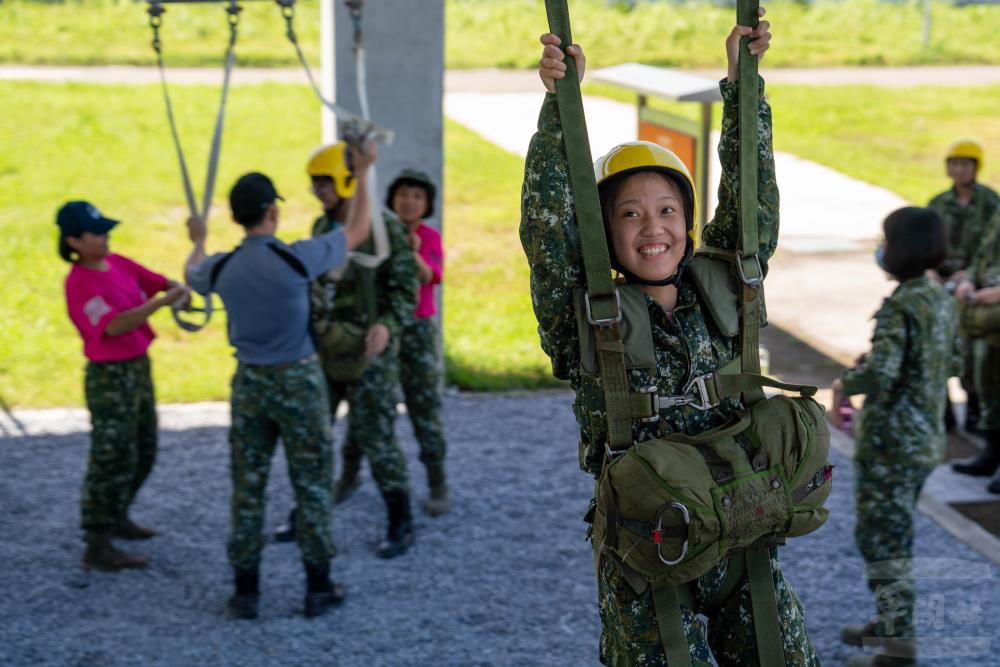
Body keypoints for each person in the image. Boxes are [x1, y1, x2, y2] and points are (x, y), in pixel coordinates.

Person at [521, 14, 822, 666]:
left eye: (667, 211)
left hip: (742, 535)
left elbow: (752, 202)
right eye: (628, 213)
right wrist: (557, 108)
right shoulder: (586, 319)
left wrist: (744, 86)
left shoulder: (725, 292)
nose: (652, 228)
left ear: (688, 222)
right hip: (649, 552)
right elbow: (550, 235)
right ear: (603, 232)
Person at [184, 156, 374, 619]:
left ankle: (245, 591)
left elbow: (193, 272)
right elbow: (357, 231)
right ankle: (318, 587)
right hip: (299, 380)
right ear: (273, 212)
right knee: (310, 484)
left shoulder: (221, 267)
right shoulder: (296, 258)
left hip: (249, 382)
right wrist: (364, 173)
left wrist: (198, 240)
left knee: (248, 487)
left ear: (236, 216)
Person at [275, 143, 419, 559]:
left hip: (371, 352)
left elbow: (405, 290)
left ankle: (400, 519)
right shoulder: (323, 229)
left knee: (378, 439)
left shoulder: (384, 228)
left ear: (346, 180)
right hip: (326, 350)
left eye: (325, 183)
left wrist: (385, 326)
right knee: (313, 432)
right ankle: (308, 512)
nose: (319, 191)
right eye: (315, 184)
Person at [831, 207, 959, 667]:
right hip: (925, 440)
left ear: (902, 247)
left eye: (885, 239)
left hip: (891, 445)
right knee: (896, 535)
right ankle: (888, 625)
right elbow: (954, 361)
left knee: (884, 542)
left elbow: (881, 373)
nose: (880, 248)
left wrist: (848, 382)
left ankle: (899, 647)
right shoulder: (940, 298)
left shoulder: (902, 303)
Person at [58, 200, 189, 571]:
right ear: (74, 241)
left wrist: (175, 288)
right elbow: (113, 326)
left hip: (137, 368)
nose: (105, 236)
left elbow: (155, 281)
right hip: (109, 378)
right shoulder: (79, 283)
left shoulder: (117, 263)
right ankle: (97, 541)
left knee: (144, 447)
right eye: (96, 232)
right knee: (110, 456)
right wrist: (161, 303)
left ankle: (118, 514)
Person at [334, 169, 449, 515]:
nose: (409, 201)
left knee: (423, 406)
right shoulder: (376, 231)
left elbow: (431, 276)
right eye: (403, 194)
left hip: (416, 332)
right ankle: (349, 474)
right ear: (392, 199)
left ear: (426, 203)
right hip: (379, 330)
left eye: (417, 196)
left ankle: (436, 481)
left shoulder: (428, 236)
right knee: (364, 404)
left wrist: (409, 251)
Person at [928, 140, 999, 435]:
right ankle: (944, 415)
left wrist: (968, 277)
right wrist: (931, 272)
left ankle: (974, 410)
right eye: (954, 163)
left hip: (975, 289)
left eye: (965, 164)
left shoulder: (990, 202)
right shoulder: (939, 203)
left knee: (971, 353)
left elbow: (987, 250)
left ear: (975, 168)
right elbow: (927, 241)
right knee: (937, 345)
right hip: (945, 285)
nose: (959, 170)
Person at [953, 207, 1000, 494]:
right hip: (988, 324)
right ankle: (991, 455)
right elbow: (983, 254)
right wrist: (970, 279)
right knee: (989, 391)